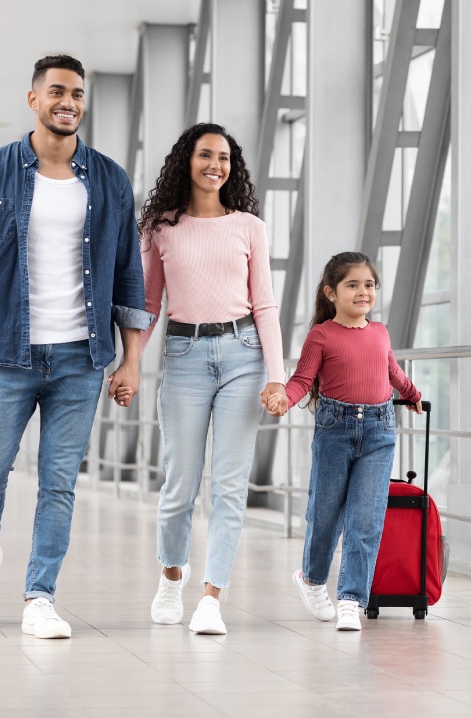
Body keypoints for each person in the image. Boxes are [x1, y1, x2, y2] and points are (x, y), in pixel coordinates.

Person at [0, 55, 154, 639]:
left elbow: (130, 276)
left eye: (77, 93)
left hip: (81, 358)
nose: (68, 102)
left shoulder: (108, 180)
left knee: (58, 483)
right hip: (7, 355)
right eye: (56, 91)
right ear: (33, 99)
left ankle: (39, 596)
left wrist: (130, 359)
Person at [139, 122, 286, 635]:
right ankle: (172, 575)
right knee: (179, 484)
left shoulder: (249, 226)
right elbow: (148, 305)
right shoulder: (161, 226)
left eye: (224, 158)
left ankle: (211, 598)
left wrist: (277, 377)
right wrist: (129, 362)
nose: (215, 166)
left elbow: (264, 303)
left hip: (243, 356)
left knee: (227, 486)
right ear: (187, 161)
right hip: (183, 354)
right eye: (205, 155)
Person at [264, 251, 422, 631]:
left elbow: (393, 371)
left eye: (368, 284)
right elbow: (303, 379)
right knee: (325, 515)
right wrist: (284, 397)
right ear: (331, 293)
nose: (363, 291)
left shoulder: (380, 332)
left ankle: (351, 599)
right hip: (335, 432)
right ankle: (311, 579)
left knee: (366, 519)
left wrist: (413, 394)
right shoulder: (321, 335)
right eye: (353, 285)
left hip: (379, 434)